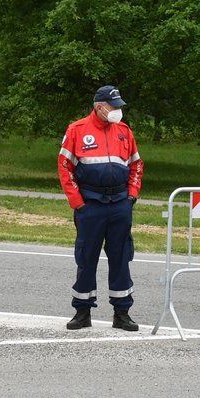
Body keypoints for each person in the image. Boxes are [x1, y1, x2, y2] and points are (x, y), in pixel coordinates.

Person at [59, 85, 145, 331]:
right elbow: (65, 167)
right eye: (114, 106)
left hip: (119, 204)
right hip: (91, 205)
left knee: (121, 258)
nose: (118, 110)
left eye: (119, 106)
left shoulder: (124, 131)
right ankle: (82, 311)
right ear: (99, 107)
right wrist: (78, 203)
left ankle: (122, 313)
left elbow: (137, 165)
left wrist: (131, 196)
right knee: (86, 258)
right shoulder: (77, 130)